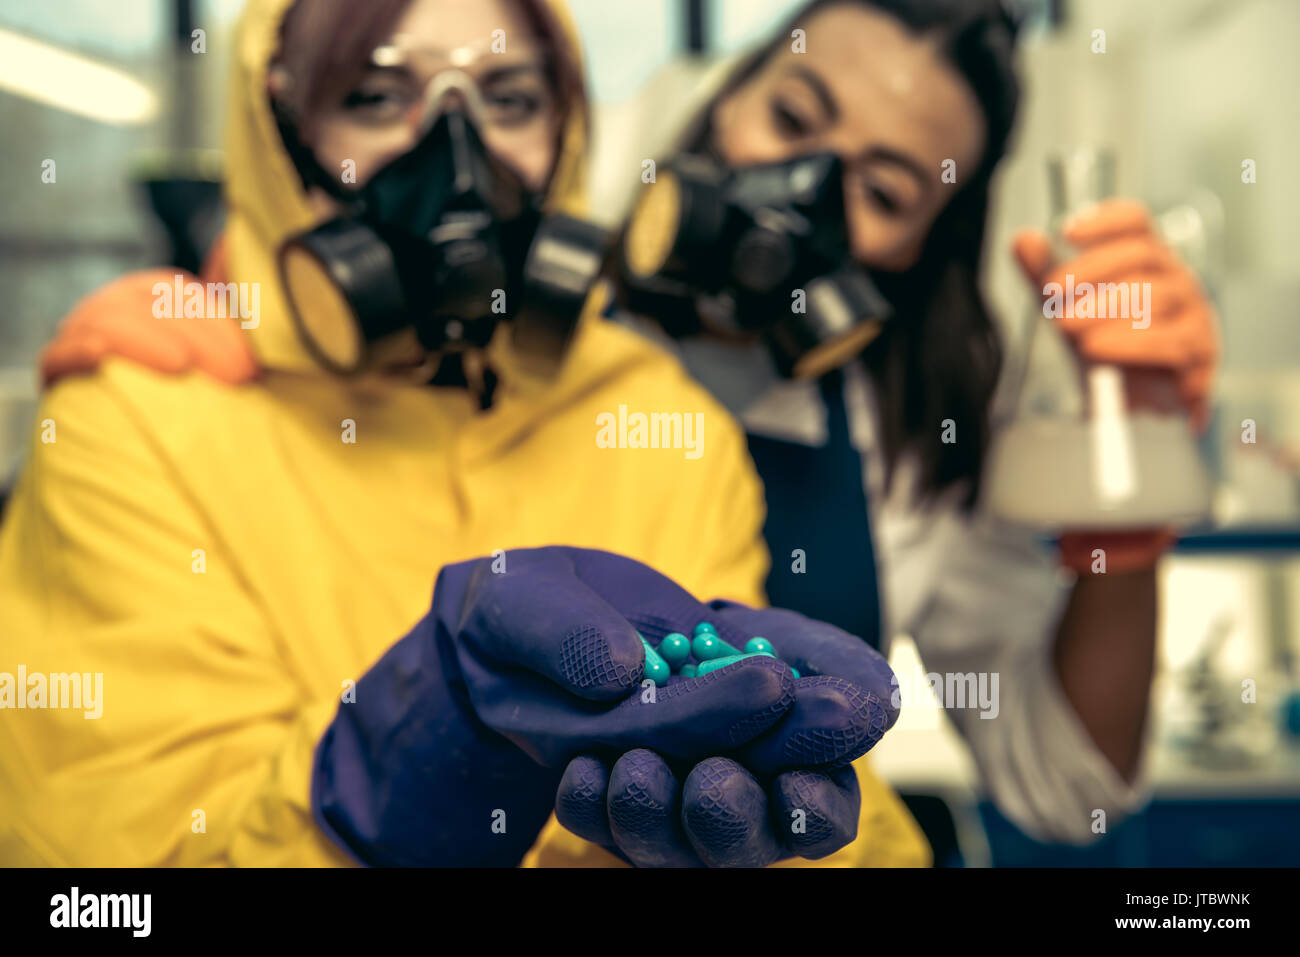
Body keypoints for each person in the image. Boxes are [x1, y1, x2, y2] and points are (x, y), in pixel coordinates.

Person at [0, 0, 929, 868]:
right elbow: (106, 882)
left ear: (564, 133)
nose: (456, 150)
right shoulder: (137, 419)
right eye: (373, 96)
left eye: (510, 97)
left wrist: (788, 812)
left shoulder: (662, 419)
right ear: (280, 138)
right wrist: (371, 790)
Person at [588, 0, 1219, 845]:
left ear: (919, 246)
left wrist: (1128, 505)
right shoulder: (521, 345)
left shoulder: (911, 437)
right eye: (790, 118)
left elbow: (1069, 787)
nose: (800, 195)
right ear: (725, 98)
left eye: (883, 191)